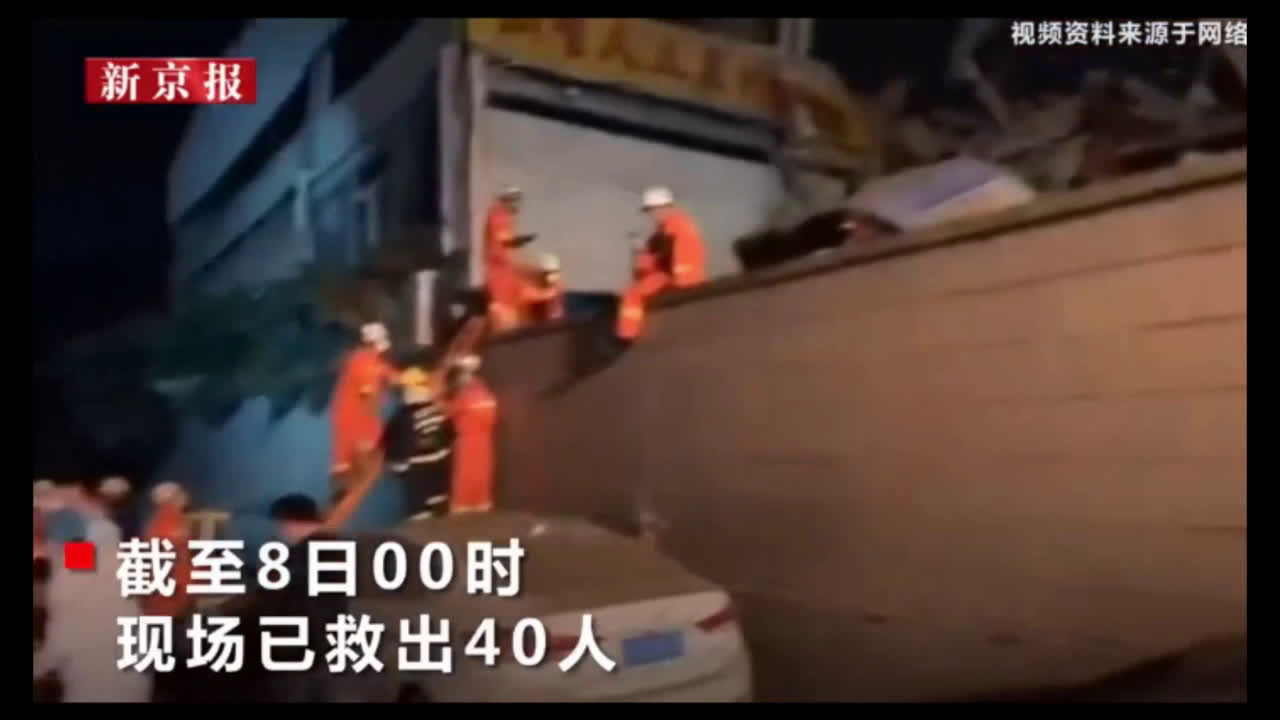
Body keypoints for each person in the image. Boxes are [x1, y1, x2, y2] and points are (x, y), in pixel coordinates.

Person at [217, 456, 383, 702]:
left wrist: (233, 609)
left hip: (293, 665)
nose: (278, 531)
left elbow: (263, 605)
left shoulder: (298, 559)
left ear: (287, 523)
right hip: (323, 658)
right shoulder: (327, 549)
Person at [615, 186, 708, 341]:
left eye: (654, 209)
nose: (653, 214)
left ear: (667, 207)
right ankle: (627, 333)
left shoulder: (677, 227)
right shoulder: (662, 234)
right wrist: (641, 254)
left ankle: (627, 334)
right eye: (650, 210)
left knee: (632, 295)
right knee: (632, 292)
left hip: (677, 280)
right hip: (671, 278)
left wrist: (683, 283)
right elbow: (648, 268)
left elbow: (684, 257)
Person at [331, 321, 400, 501]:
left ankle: (344, 490)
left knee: (348, 459)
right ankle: (344, 495)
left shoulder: (368, 359)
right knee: (354, 462)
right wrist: (379, 428)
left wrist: (410, 379)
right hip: (356, 417)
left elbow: (389, 375)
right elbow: (369, 400)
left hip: (350, 415)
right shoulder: (365, 365)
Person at [384, 367, 456, 521]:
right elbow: (449, 434)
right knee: (438, 501)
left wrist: (397, 466)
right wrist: (445, 453)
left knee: (418, 509)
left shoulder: (404, 416)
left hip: (417, 469)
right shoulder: (436, 410)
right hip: (439, 466)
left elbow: (399, 441)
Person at [484, 185, 539, 333]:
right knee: (506, 318)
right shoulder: (498, 215)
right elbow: (504, 239)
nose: (518, 205)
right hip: (499, 273)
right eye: (515, 200)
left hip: (505, 272)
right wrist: (523, 240)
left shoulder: (505, 217)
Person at [447, 354, 498, 514]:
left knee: (464, 483)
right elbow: (492, 418)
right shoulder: (487, 394)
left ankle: (463, 511)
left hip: (467, 445)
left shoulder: (463, 396)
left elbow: (450, 413)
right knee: (482, 480)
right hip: (485, 445)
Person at [141, 482, 194, 618]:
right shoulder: (170, 522)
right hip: (172, 598)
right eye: (181, 493)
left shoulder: (157, 521)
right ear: (172, 498)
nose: (185, 497)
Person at [520, 252, 566, 326]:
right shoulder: (535, 285)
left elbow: (547, 294)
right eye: (545, 273)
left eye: (551, 273)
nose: (548, 277)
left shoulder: (557, 286)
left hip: (551, 323)